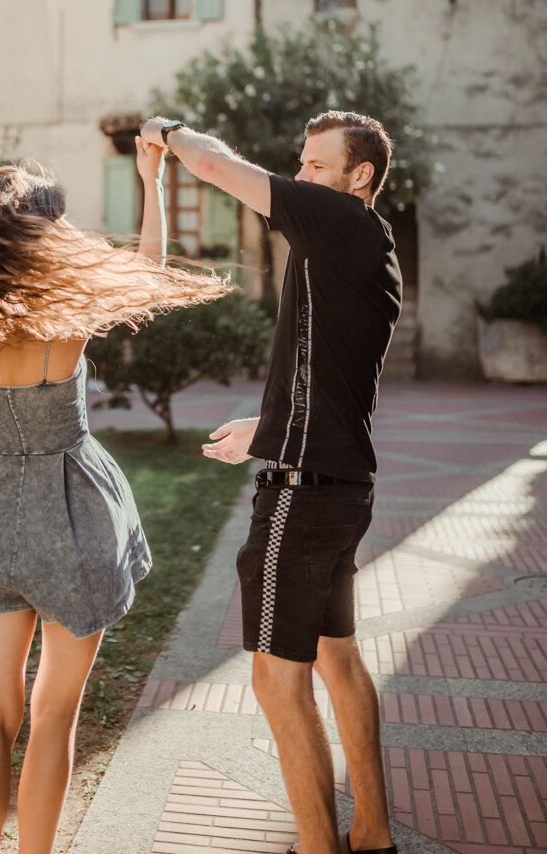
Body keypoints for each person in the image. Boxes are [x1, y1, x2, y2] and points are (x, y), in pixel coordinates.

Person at [0, 139, 227, 854]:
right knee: (54, 714)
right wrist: (149, 179)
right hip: (75, 511)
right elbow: (152, 272)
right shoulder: (65, 303)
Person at [140, 112, 401, 854]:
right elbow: (336, 379)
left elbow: (219, 168)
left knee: (274, 682)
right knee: (337, 658)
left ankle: (320, 847)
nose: (302, 175)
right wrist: (270, 420)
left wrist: (170, 132)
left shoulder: (340, 219)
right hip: (340, 481)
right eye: (302, 160)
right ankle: (374, 832)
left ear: (361, 178)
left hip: (304, 493)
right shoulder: (360, 249)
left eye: (318, 164)